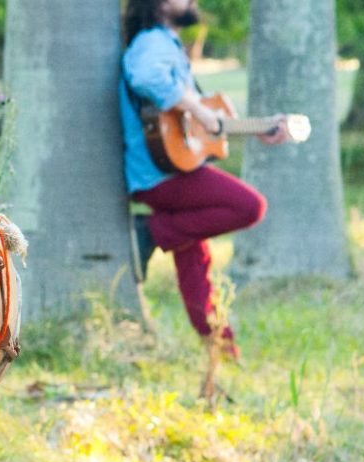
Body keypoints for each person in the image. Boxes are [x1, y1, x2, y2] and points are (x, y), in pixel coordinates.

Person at [119, 0, 289, 359]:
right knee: (249, 206)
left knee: (195, 261)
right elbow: (146, 76)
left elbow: (201, 121)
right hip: (160, 174)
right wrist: (196, 109)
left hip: (171, 169)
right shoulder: (152, 41)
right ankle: (149, 232)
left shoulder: (168, 44)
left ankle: (222, 350)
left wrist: (256, 128)